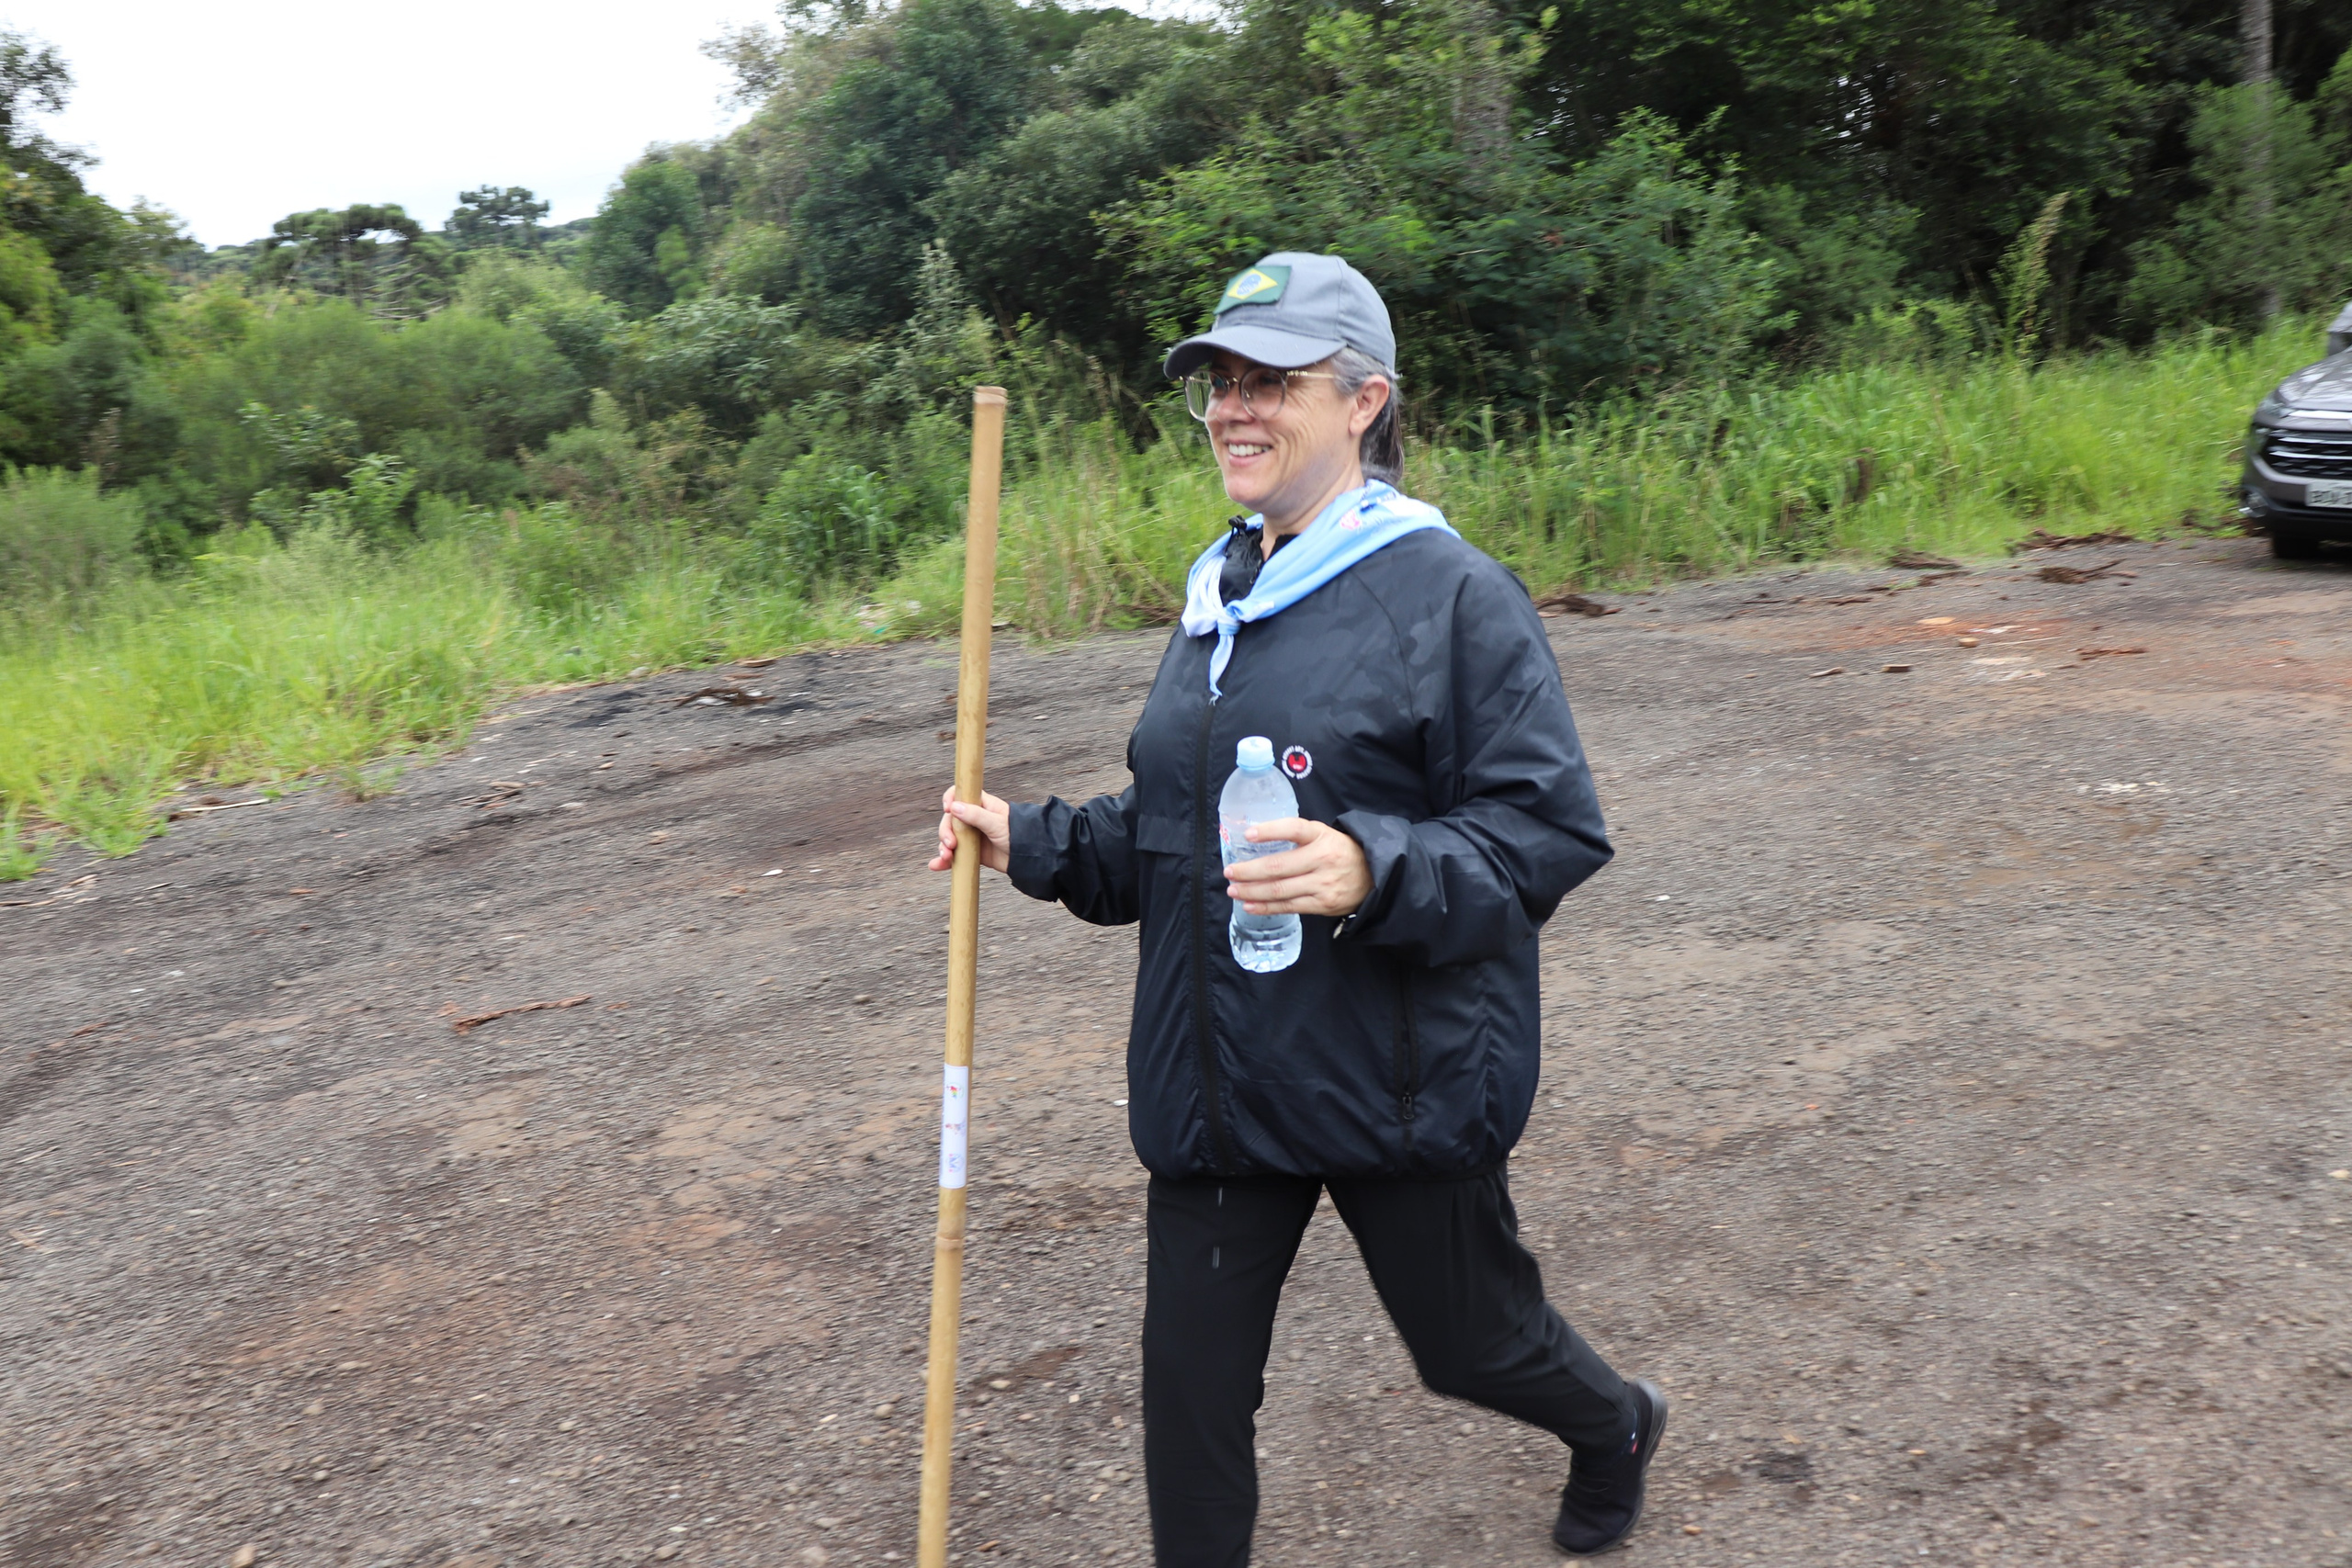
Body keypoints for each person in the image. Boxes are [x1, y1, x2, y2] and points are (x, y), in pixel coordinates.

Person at [927, 252, 1664, 1565]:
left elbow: (1547, 831)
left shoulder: (1450, 596)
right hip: (1218, 1082)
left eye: (1272, 381)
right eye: (1219, 381)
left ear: (1365, 400)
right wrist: (1029, 842)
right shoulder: (1226, 593)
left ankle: (1612, 1425)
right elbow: (1174, 828)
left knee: (1473, 1346)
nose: (1232, 408)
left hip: (1395, 1077)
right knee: (1190, 1398)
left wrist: (1375, 868)